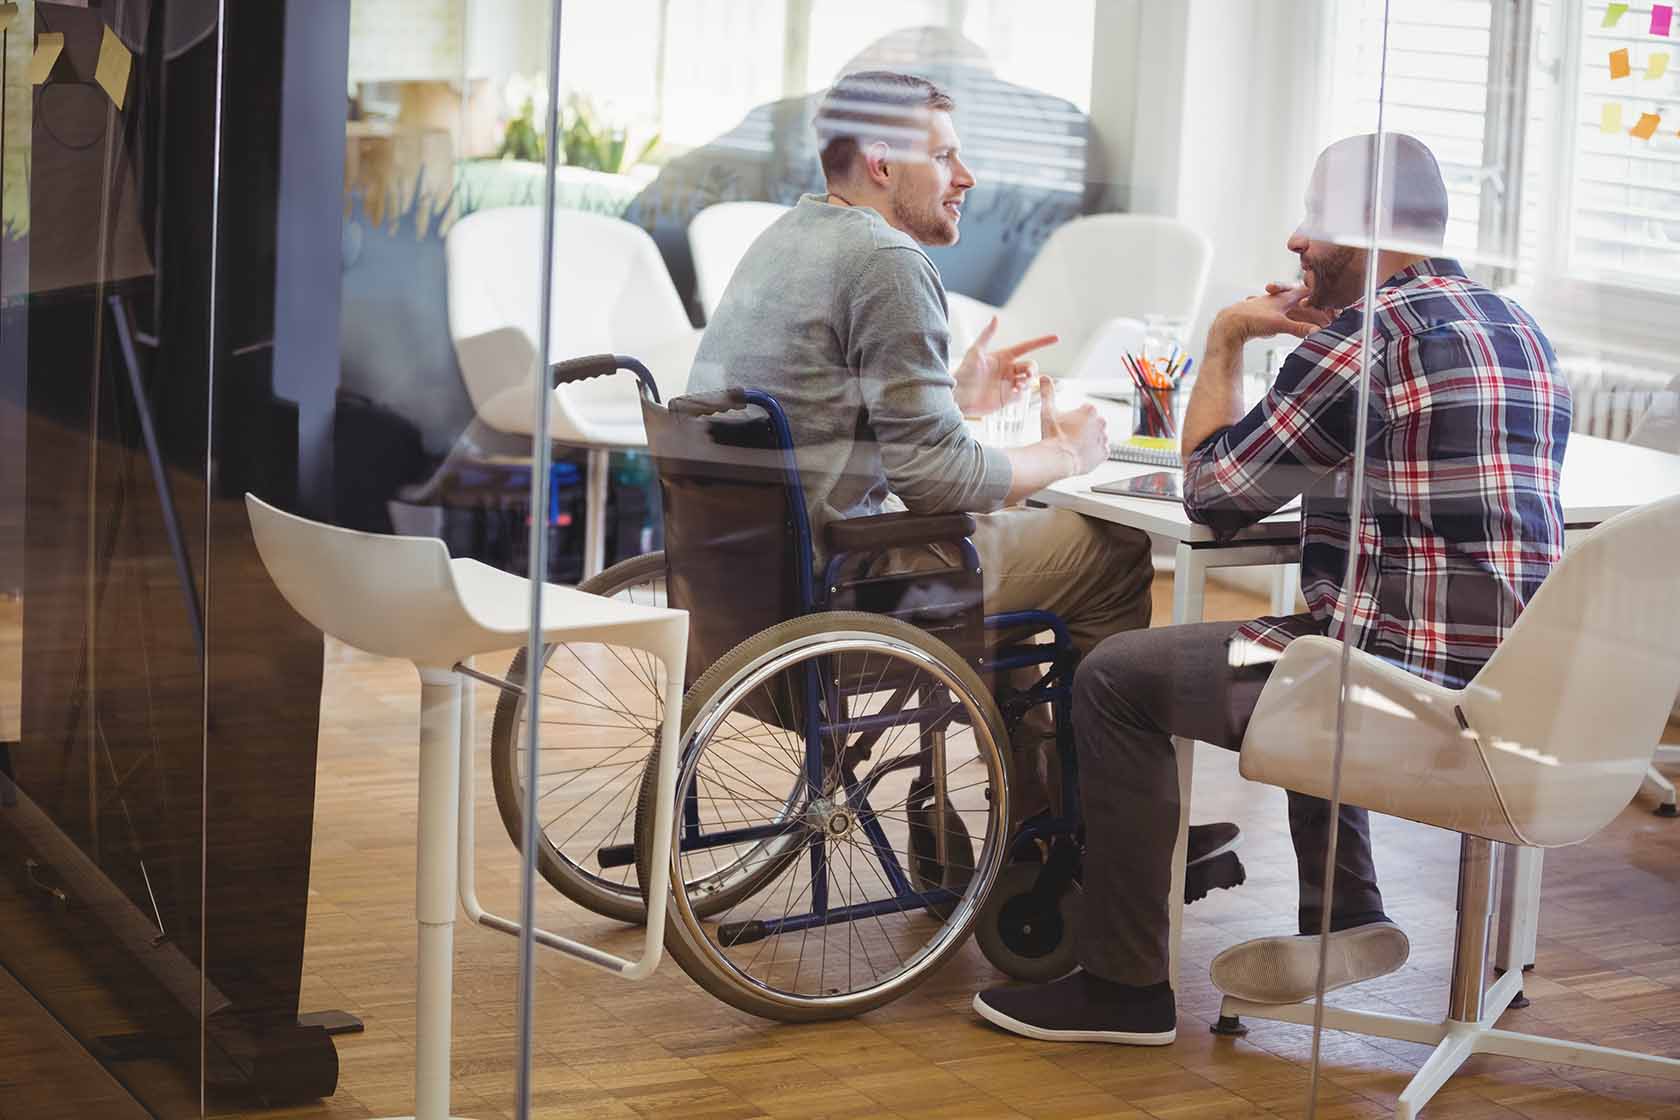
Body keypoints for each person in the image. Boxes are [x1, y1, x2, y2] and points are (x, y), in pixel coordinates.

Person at [973, 132, 1572, 1045]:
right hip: (1517, 690)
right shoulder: (1517, 325)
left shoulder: (1361, 342)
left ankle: (1124, 986)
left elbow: (1212, 493)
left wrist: (1227, 340)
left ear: (1369, 238)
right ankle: (1345, 914)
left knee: (1120, 678)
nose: (1296, 244)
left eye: (1316, 228)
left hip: (1392, 692)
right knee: (1309, 631)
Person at [687, 70, 1245, 889]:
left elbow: (821, 411)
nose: (968, 177)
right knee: (1110, 550)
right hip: (842, 583)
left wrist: (953, 393)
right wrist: (1069, 453)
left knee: (1028, 569)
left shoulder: (790, 237)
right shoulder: (886, 258)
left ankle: (1037, 822)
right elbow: (938, 481)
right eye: (946, 156)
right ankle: (1103, 830)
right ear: (882, 161)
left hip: (746, 582)